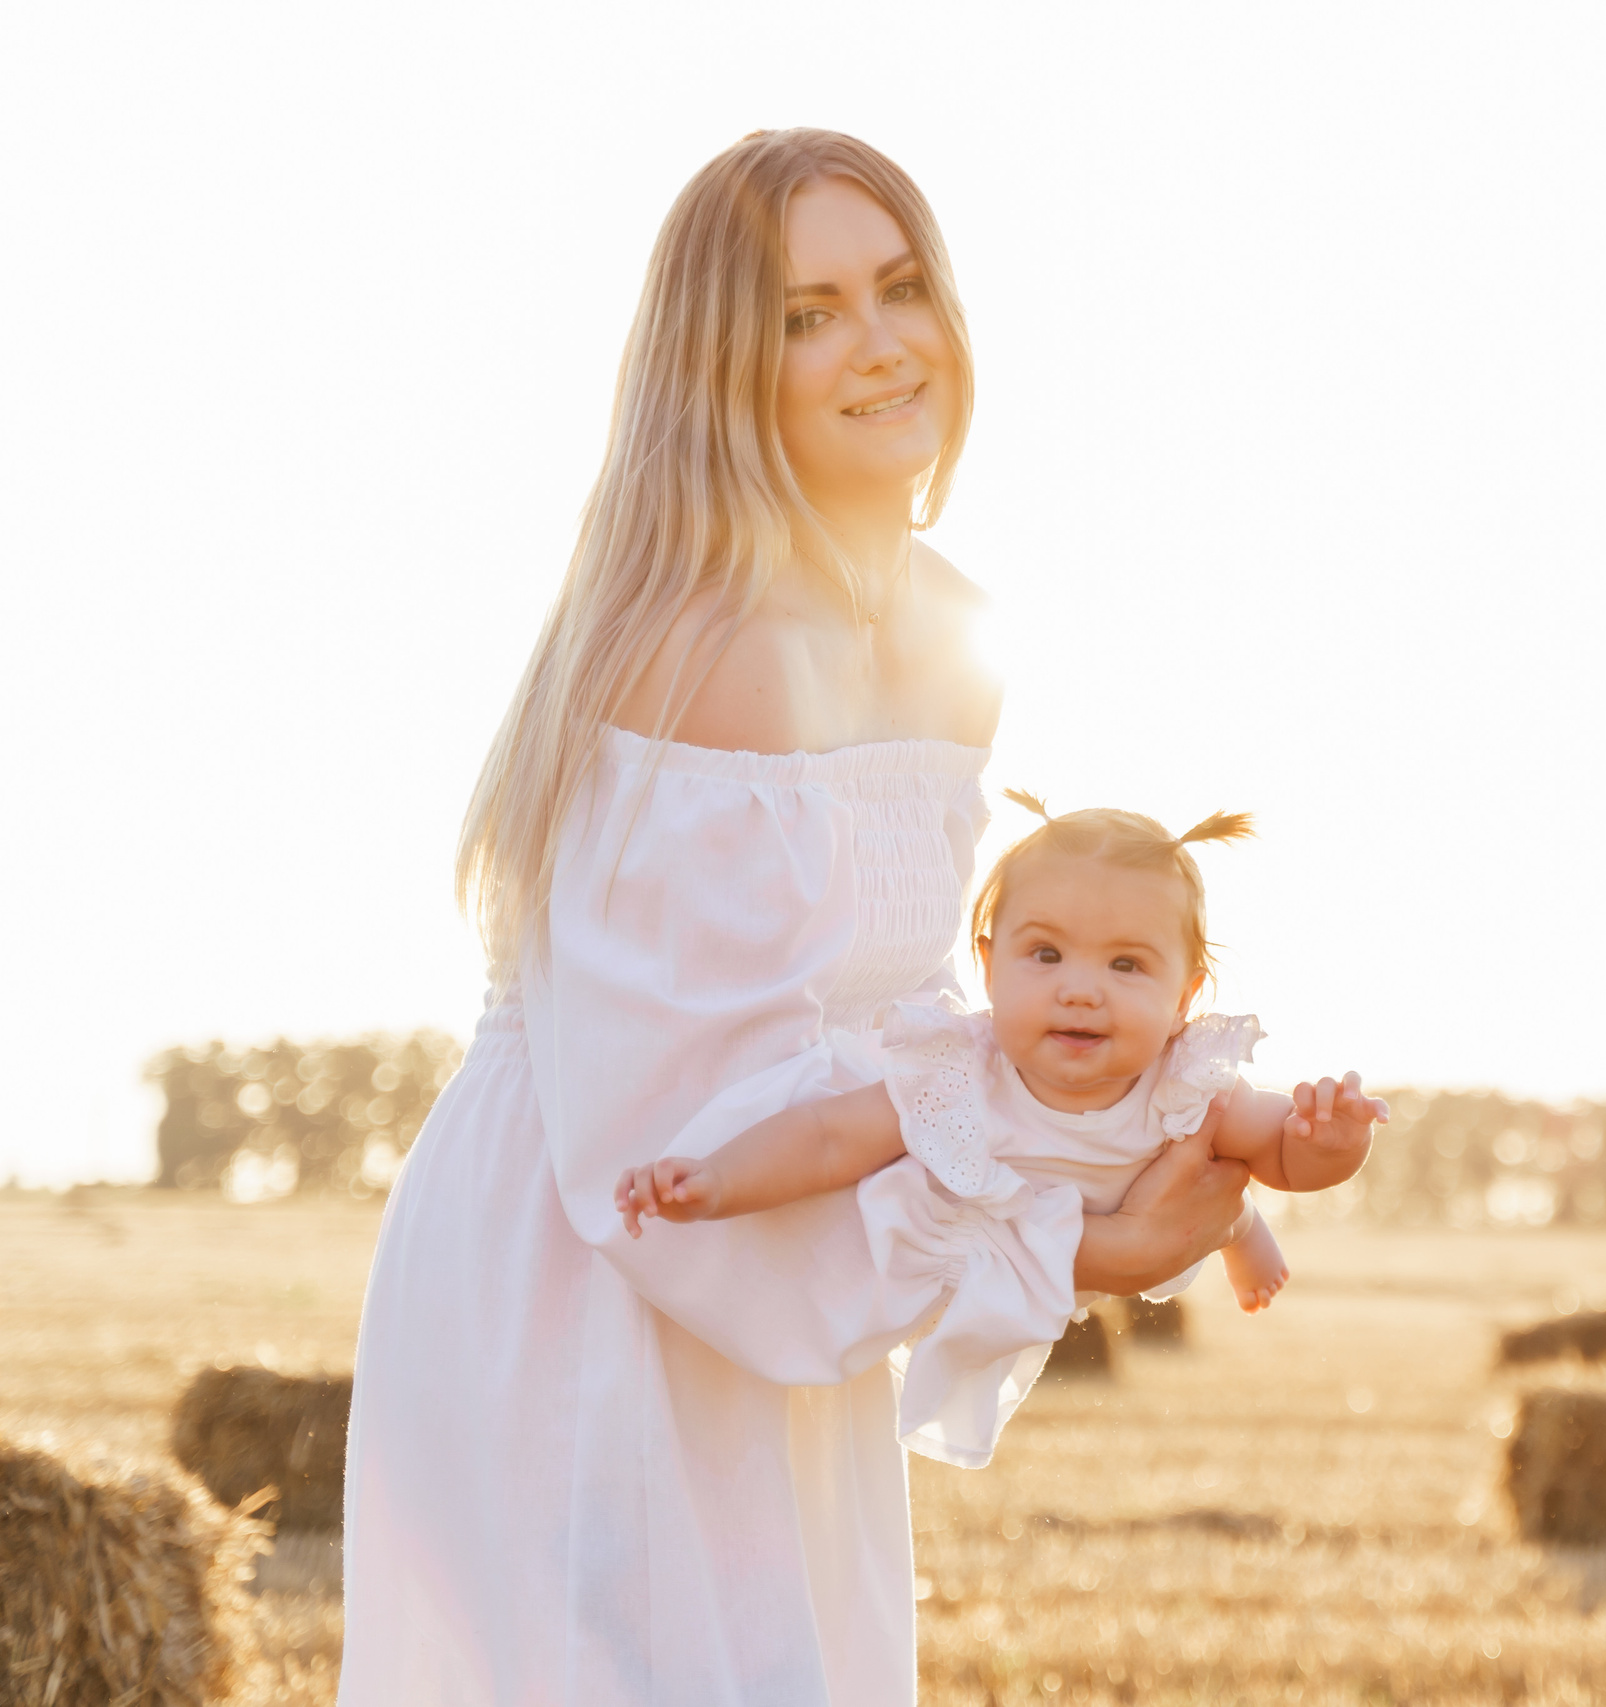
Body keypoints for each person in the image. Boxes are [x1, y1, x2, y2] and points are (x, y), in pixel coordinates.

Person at [340, 129, 1264, 1705]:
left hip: (801, 1252)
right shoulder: (707, 649)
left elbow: (903, 1047)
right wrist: (1071, 1247)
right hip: (604, 1258)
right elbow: (681, 1134)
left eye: (901, 287)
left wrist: (1131, 1111)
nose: (881, 341)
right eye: (808, 312)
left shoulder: (956, 625)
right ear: (722, 367)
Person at [612, 795, 1388, 1464]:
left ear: (1185, 997)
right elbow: (826, 1138)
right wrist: (715, 1179)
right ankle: (1238, 1232)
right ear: (988, 966)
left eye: (1127, 965)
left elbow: (1283, 1152)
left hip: (1141, 1218)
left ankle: (1242, 1236)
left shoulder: (1185, 1081)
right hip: (1038, 1248)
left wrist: (1335, 1138)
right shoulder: (958, 1075)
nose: (1080, 989)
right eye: (1046, 953)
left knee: (1224, 1176)